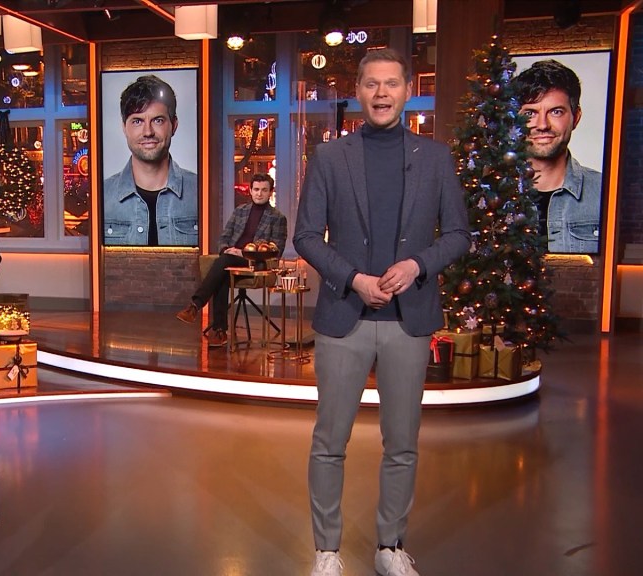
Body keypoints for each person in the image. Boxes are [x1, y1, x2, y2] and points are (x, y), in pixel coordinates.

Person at [293, 49, 469, 576]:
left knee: (402, 444)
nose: (382, 93)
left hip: (408, 321)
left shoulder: (435, 158)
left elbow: (458, 234)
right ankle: (327, 551)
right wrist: (354, 278)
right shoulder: (330, 157)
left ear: (407, 90)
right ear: (359, 90)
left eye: (392, 83)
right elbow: (306, 235)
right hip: (344, 317)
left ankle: (390, 547)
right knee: (330, 442)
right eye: (372, 84)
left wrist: (417, 265)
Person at [175, 173, 287, 347]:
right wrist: (225, 249)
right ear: (250, 191)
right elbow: (224, 237)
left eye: (264, 190)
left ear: (271, 192)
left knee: (224, 262)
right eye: (256, 189)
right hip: (230, 258)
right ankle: (220, 331)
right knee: (223, 273)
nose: (259, 194)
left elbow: (276, 250)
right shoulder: (240, 211)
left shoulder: (278, 218)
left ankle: (196, 305)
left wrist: (242, 253)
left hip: (256, 263)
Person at [514, 59, 603, 254]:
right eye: (530, 113)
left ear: (576, 117)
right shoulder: (492, 197)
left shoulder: (605, 193)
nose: (542, 125)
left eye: (555, 112)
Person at [103, 74, 198, 246]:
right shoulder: (103, 196)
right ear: (124, 127)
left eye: (158, 120)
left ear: (174, 125)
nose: (148, 132)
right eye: (137, 121)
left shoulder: (200, 192)